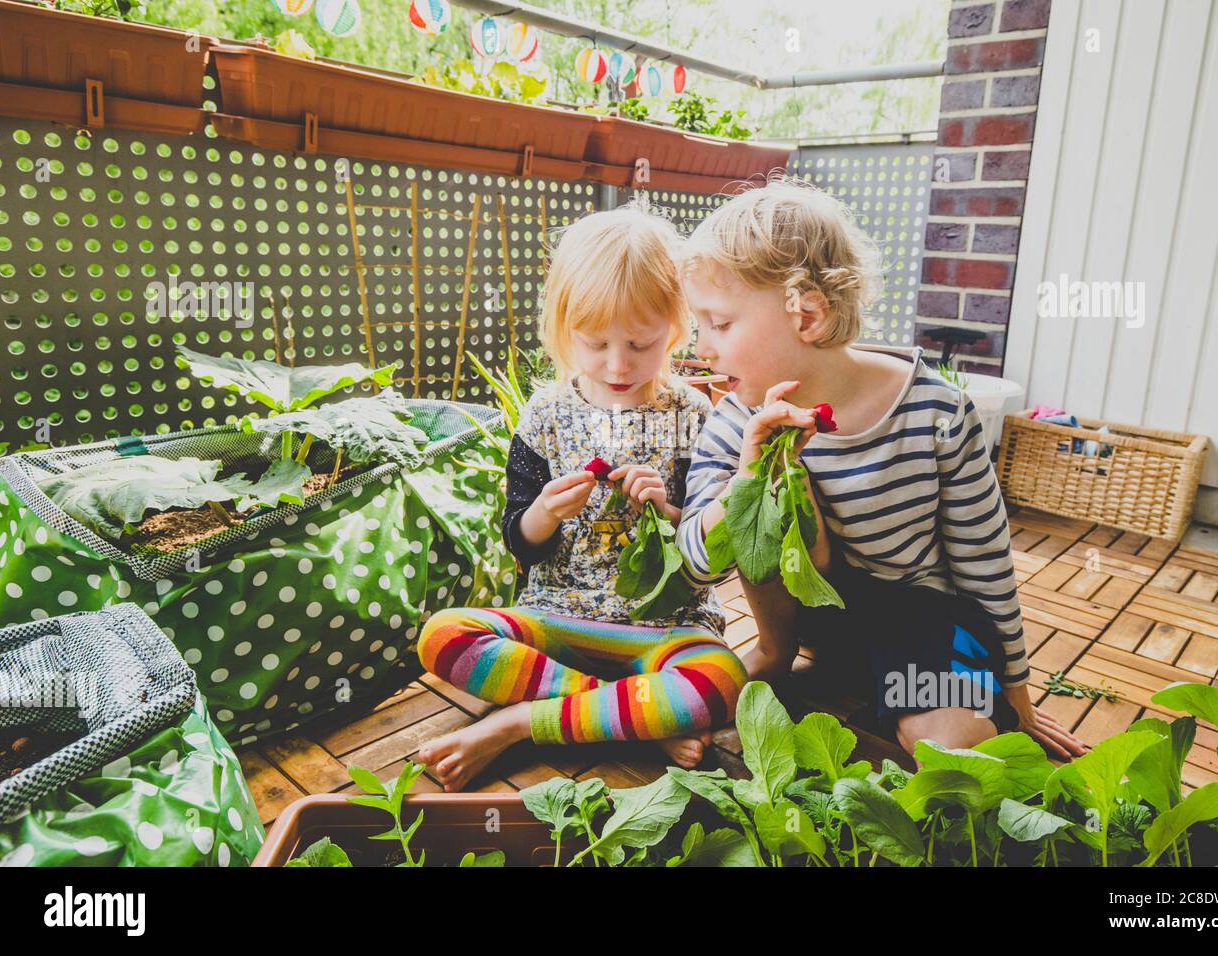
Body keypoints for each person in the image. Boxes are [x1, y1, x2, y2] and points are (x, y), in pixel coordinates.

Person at [676, 177, 1088, 760]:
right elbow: (696, 564)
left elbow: (983, 558)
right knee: (689, 688)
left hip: (915, 621)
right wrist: (750, 479)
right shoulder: (736, 419)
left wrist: (1014, 690)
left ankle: (906, 697)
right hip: (804, 623)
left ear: (809, 315)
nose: (703, 347)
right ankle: (774, 652)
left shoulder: (937, 412)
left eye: (719, 324)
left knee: (951, 747)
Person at [415, 203, 747, 791]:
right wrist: (544, 511)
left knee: (721, 680)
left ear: (675, 328)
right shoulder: (545, 415)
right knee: (443, 635)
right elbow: (517, 537)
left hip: (661, 624)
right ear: (563, 330)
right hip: (556, 621)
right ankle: (631, 718)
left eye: (641, 344)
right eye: (596, 343)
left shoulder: (694, 416)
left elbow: (711, 550)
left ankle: (520, 722)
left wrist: (669, 513)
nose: (618, 365)